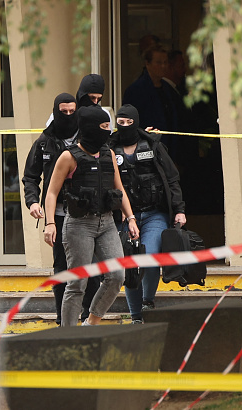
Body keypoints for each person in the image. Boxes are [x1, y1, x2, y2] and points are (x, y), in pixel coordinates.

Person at [44, 105, 140, 326]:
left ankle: (91, 322)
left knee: (116, 276)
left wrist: (131, 217)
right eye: (104, 126)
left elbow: (120, 189)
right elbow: (51, 192)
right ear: (89, 127)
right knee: (77, 282)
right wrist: (50, 223)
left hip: (106, 223)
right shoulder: (69, 157)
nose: (108, 131)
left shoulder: (109, 154)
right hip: (78, 225)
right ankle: (68, 334)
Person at [22, 93, 99, 325]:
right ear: (56, 111)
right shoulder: (45, 141)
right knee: (61, 268)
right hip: (57, 215)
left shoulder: (88, 136)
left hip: (87, 214)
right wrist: (33, 202)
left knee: (91, 266)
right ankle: (62, 320)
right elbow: (30, 177)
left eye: (71, 112)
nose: (67, 116)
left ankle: (88, 315)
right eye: (63, 112)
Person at [109, 104, 186, 324]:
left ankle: (147, 301)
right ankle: (136, 316)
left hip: (154, 214)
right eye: (120, 123)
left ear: (136, 122)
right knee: (131, 264)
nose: (124, 127)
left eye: (128, 122)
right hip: (124, 217)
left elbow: (171, 179)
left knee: (149, 258)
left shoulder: (152, 145)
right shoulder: (109, 148)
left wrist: (179, 210)